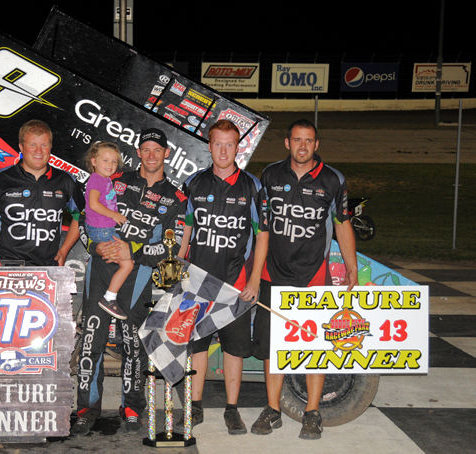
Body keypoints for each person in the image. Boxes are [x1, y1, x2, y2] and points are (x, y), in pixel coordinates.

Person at [72, 128, 187, 435]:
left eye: (157, 150)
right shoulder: (114, 179)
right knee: (91, 339)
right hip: (100, 268)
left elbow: (170, 247)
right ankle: (86, 406)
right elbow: (84, 219)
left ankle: (133, 404)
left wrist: (132, 250)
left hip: (136, 274)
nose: (151, 155)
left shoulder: (175, 197)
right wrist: (95, 245)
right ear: (138, 153)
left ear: (166, 154)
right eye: (145, 149)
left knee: (133, 343)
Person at [251, 118, 358, 440]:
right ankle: (272, 410)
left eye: (308, 140)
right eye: (297, 140)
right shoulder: (269, 175)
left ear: (316, 144)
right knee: (274, 348)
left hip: (313, 277)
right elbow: (262, 229)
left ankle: (312, 413)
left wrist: (351, 267)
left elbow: (342, 224)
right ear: (287, 143)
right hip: (273, 274)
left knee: (314, 346)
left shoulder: (334, 179)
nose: (302, 146)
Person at [178, 119, 269, 435]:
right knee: (197, 347)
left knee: (234, 349)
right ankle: (195, 405)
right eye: (218, 143)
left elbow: (263, 236)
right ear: (209, 145)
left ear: (238, 147)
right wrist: (179, 263)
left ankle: (232, 409)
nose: (223, 150)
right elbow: (187, 226)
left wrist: (254, 279)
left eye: (230, 144)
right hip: (199, 282)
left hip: (236, 283)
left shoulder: (253, 186)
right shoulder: (194, 183)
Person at [0, 119, 83, 267]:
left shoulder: (66, 180)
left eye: (44, 145)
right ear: (21, 147)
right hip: (7, 266)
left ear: (50, 147)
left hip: (48, 268)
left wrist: (63, 251)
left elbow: (82, 216)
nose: (39, 151)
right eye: (32, 145)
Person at [83, 141, 133, 321]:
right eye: (105, 160)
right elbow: (94, 204)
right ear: (94, 161)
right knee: (127, 264)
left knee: (119, 262)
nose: (110, 165)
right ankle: (109, 298)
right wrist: (114, 215)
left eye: (114, 161)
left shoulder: (104, 180)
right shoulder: (97, 179)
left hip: (104, 228)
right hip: (102, 230)